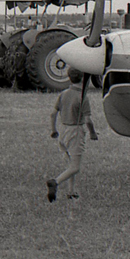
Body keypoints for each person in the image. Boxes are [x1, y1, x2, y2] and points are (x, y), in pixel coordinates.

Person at [47, 68, 98, 202]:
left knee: (70, 164)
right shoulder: (82, 97)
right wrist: (92, 133)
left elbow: (53, 114)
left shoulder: (64, 94)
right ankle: (55, 182)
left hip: (63, 129)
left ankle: (71, 191)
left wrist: (53, 130)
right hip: (75, 131)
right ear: (82, 79)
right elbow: (87, 120)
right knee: (75, 167)